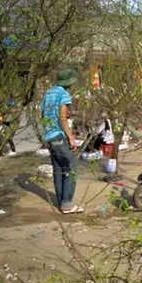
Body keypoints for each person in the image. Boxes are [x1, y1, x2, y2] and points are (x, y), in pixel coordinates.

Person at [40, 68, 83, 214]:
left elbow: (41, 113)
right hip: (58, 135)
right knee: (71, 168)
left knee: (59, 169)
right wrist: (71, 138)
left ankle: (61, 201)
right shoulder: (63, 94)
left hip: (49, 136)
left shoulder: (49, 93)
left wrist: (46, 132)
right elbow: (62, 117)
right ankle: (67, 204)